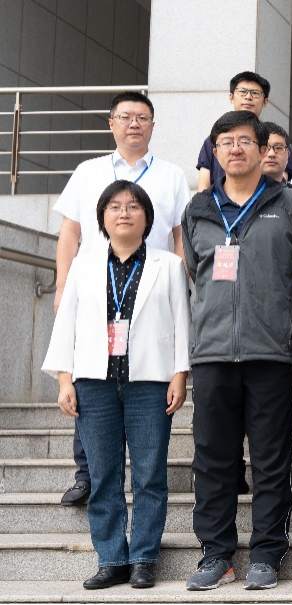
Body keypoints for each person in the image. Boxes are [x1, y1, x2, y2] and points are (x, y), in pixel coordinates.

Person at [181, 110, 292, 591]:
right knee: (212, 458)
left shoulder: (291, 204)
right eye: (226, 142)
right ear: (215, 152)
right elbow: (194, 272)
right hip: (213, 351)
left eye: (244, 140)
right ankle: (216, 553)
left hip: (272, 351)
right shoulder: (198, 208)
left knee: (271, 458)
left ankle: (266, 553)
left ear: (263, 151)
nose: (235, 149)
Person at [43, 181, 190, 590]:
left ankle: (143, 558)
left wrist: (180, 373)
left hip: (151, 382)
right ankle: (111, 558)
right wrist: (64, 379)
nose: (124, 212)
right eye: (114, 206)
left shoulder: (168, 264)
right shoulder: (84, 264)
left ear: (147, 217)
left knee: (149, 475)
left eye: (133, 206)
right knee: (104, 475)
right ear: (102, 218)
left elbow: (182, 320)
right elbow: (66, 323)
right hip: (94, 383)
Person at [52, 90, 191, 508]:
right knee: (92, 380)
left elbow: (181, 236)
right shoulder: (88, 171)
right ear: (111, 123)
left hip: (150, 293)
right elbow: (70, 233)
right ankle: (86, 475)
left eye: (142, 117)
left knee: (138, 389)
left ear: (153, 126)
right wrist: (62, 286)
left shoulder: (171, 175)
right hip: (97, 291)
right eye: (126, 117)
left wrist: (180, 285)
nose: (134, 124)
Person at [196, 72, 292, 190]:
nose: (248, 97)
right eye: (242, 92)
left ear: (265, 102)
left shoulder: (278, 140)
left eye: (255, 93)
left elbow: (281, 181)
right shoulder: (214, 140)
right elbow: (204, 186)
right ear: (231, 97)